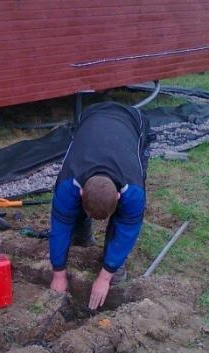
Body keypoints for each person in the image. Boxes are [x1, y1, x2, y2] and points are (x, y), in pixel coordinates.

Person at [49, 101, 152, 309]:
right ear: (80, 192)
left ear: (119, 198)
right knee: (69, 218)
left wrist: (105, 276)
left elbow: (128, 228)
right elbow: (59, 227)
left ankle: (114, 261)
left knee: (122, 228)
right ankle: (82, 237)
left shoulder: (133, 193)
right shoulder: (68, 185)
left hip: (133, 122)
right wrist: (58, 274)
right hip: (91, 118)